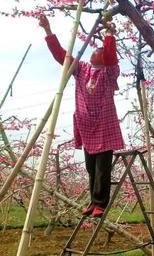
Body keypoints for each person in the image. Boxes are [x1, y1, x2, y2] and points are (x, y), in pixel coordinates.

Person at [39, 14, 124, 218]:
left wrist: (109, 33)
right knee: (90, 167)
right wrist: (48, 31)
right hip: (86, 126)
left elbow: (111, 57)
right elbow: (62, 56)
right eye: (96, 49)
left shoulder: (109, 72)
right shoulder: (83, 69)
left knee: (103, 168)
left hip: (104, 126)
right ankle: (93, 201)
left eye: (100, 50)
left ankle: (100, 203)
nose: (96, 51)